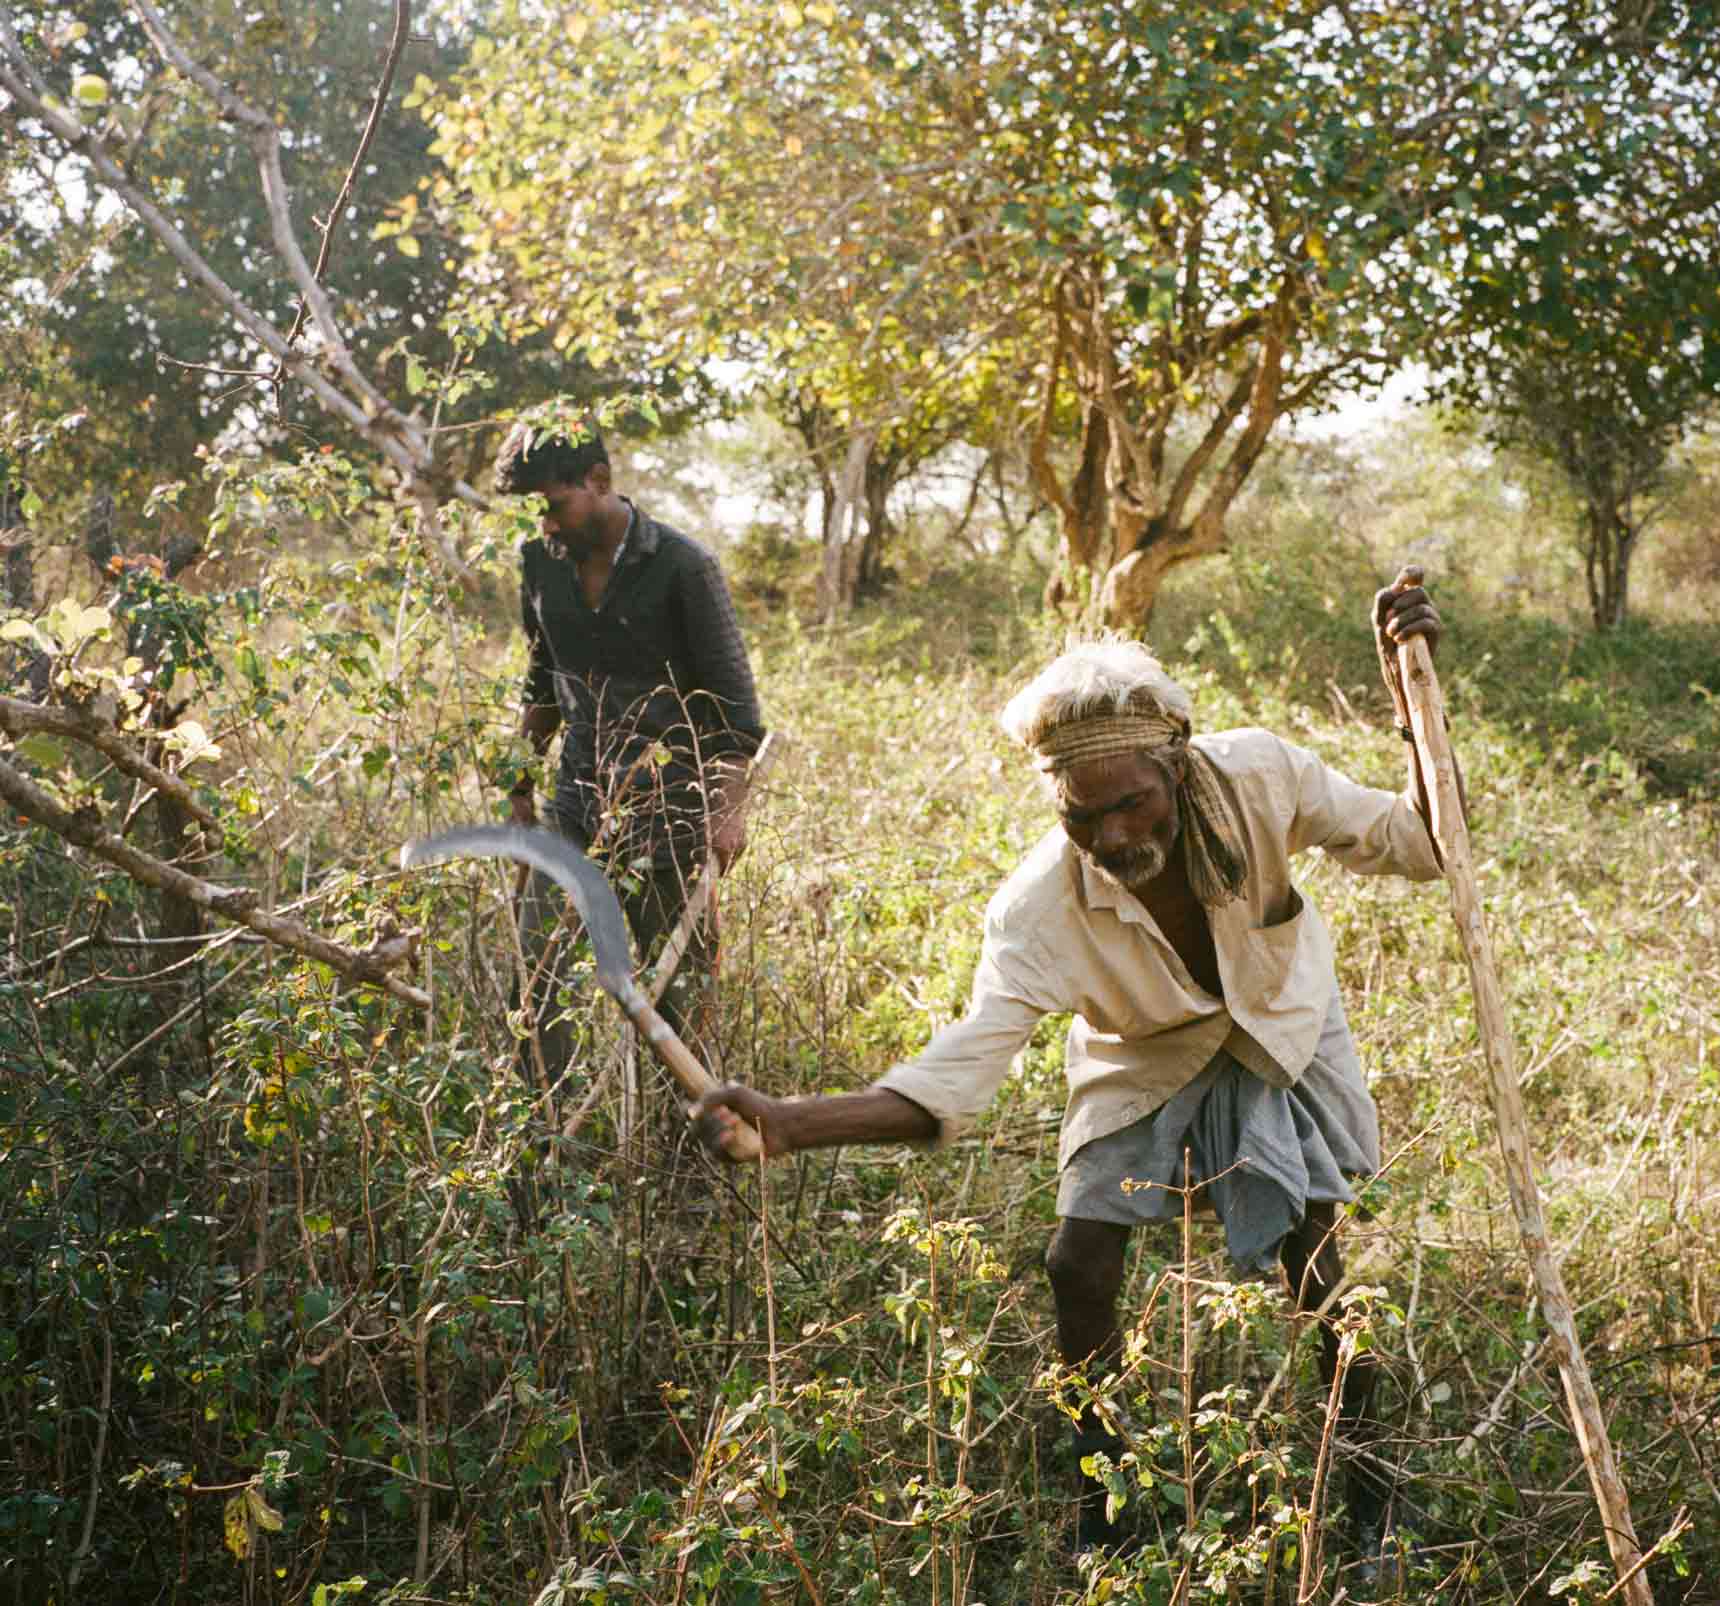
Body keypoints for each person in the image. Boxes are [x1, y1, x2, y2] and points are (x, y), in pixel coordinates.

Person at [693, 568, 1451, 1583]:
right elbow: (953, 1078)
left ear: (1175, 767)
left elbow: (1423, 844)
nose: (1113, 836)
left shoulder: (1263, 775)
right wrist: (791, 1122)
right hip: (1140, 1052)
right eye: (1081, 816)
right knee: (1076, 1266)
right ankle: (1105, 1502)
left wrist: (1411, 699)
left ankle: (1367, 1490)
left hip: (1280, 1020)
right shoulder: (1035, 911)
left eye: (1131, 803)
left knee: (1316, 1266)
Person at [495, 410, 765, 1093]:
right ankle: (543, 1142)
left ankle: (697, 1159)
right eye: (536, 514)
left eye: (555, 506)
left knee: (680, 1000)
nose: (547, 526)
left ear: (599, 480)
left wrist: (726, 814)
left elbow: (735, 712)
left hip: (672, 815)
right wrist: (520, 778)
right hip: (575, 805)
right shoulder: (538, 564)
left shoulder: (683, 567)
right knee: (536, 977)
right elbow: (541, 678)